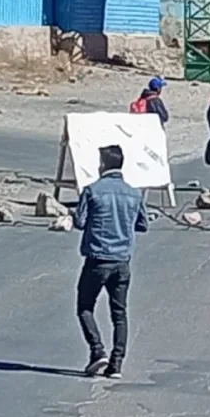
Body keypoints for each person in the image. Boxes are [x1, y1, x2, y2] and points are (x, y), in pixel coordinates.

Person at [73, 144, 149, 380]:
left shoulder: (92, 190)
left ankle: (97, 351)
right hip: (122, 261)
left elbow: (79, 221)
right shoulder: (134, 193)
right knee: (119, 313)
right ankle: (116, 364)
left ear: (103, 164)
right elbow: (143, 224)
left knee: (85, 307)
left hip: (97, 259)